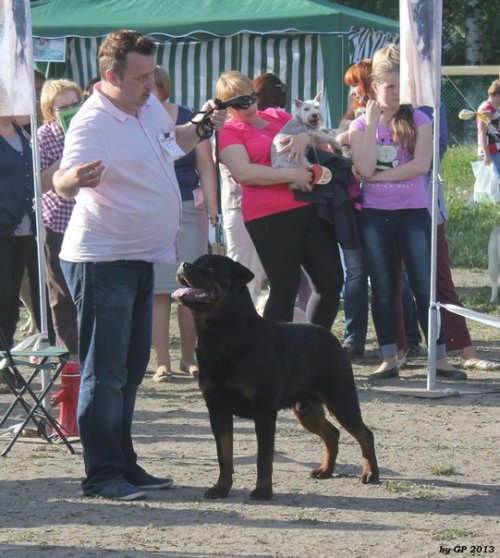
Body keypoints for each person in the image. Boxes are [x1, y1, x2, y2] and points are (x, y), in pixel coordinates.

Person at [53, 29, 225, 501]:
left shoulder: (147, 107)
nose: (151, 85)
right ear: (111, 76)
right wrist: (74, 178)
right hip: (102, 259)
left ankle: (124, 465)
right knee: (103, 371)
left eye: (152, 74)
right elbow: (62, 181)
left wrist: (204, 126)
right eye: (141, 77)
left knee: (130, 368)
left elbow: (170, 145)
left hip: (142, 256)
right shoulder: (91, 121)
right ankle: (102, 474)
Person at [349, 56, 451, 380]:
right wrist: (368, 121)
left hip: (412, 212)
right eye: (389, 86)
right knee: (382, 287)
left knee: (424, 286)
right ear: (375, 87)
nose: (395, 93)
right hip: (375, 217)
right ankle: (389, 357)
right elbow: (362, 168)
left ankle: (440, 356)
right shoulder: (360, 125)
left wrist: (378, 178)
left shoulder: (419, 119)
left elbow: (421, 165)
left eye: (399, 86)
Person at [216, 71, 344, 327]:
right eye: (240, 102)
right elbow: (244, 173)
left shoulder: (275, 115)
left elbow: (313, 129)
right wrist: (290, 175)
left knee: (330, 283)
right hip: (269, 216)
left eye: (251, 97)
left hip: (309, 208)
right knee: (284, 287)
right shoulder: (230, 132)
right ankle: (276, 357)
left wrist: (306, 136)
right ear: (227, 108)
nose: (250, 105)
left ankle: (313, 350)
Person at [151, 66, 218, 382]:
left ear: (163, 86)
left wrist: (213, 208)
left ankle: (189, 357)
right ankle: (162, 361)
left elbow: (206, 165)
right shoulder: (137, 120)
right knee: (160, 289)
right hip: (152, 211)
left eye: (151, 82)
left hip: (190, 208)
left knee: (190, 287)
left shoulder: (189, 116)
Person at [38, 79, 83, 362]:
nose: (70, 110)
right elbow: (39, 183)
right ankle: (70, 359)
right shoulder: (44, 136)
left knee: (88, 293)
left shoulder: (92, 128)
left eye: (74, 104)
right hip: (56, 223)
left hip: (91, 222)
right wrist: (67, 153)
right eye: (63, 107)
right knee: (62, 294)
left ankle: (89, 354)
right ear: (51, 112)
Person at [0, 116, 40, 355]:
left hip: (25, 229)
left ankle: (5, 361)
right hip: (2, 228)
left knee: (12, 300)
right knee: (3, 296)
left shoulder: (23, 133)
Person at [477, 79, 500, 180]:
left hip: (497, 150)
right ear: (496, 95)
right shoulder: (485, 110)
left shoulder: (495, 110)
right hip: (491, 152)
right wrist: (486, 155)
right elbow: (482, 133)